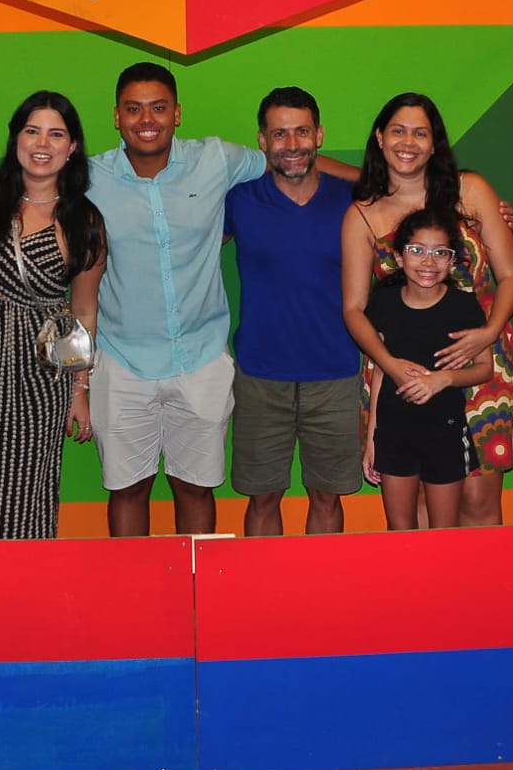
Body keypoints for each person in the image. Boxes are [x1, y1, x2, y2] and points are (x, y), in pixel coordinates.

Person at [87, 62, 353, 537]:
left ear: (177, 113)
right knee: (127, 490)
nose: (146, 119)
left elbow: (290, 160)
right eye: (133, 108)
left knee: (196, 489)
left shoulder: (216, 159)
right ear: (116, 116)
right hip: (122, 359)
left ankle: (199, 581)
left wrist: (392, 183)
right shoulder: (89, 176)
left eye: (159, 107)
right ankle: (133, 583)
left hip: (202, 358)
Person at [341, 92, 513, 527]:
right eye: (398, 131)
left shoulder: (471, 191)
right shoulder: (362, 215)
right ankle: (424, 577)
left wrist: (488, 333)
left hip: (481, 362)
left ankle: (478, 577)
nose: (408, 143)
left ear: (434, 142)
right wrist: (390, 365)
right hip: (401, 372)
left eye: (420, 133)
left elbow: (511, 276)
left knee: (478, 500)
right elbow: (354, 307)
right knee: (418, 501)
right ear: (380, 137)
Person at [0, 91, 106, 539]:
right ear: (16, 138)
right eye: (32, 131)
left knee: (24, 487)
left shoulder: (84, 221)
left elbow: (83, 311)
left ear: (72, 146)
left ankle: (23, 576)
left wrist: (79, 390)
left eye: (56, 134)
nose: (42, 144)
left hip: (38, 370)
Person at [225, 87, 362, 536]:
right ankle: (263, 583)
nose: (292, 144)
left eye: (302, 131)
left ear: (319, 135)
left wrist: (483, 212)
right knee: (262, 497)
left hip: (336, 373)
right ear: (262, 140)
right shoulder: (239, 200)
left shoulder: (354, 200)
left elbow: (416, 208)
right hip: (260, 376)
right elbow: (181, 245)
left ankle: (324, 581)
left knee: (327, 496)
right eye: (279, 134)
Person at [363, 207, 493, 529]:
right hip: (393, 432)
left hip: (445, 432)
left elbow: (484, 368)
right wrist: (372, 439)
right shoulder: (384, 303)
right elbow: (380, 371)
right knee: (400, 531)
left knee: (444, 533)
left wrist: (443, 379)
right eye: (417, 250)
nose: (428, 262)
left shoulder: (462, 305)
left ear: (451, 260)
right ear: (399, 256)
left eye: (440, 253)